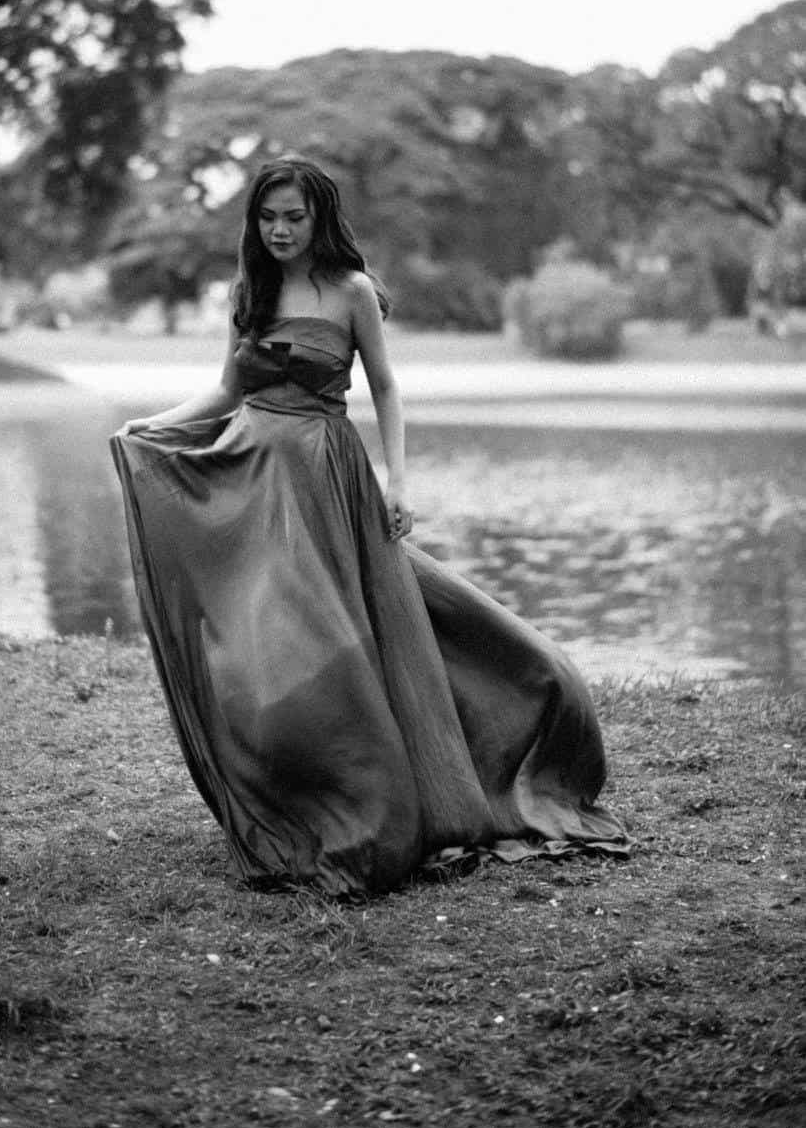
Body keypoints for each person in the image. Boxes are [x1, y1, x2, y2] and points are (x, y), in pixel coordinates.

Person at [111, 157, 628, 895]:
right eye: (268, 217)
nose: (280, 230)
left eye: (294, 216)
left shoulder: (352, 291)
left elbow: (385, 387)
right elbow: (226, 392)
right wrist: (149, 427)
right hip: (253, 478)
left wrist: (399, 480)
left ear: (319, 218)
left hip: (325, 479)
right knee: (262, 639)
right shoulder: (247, 291)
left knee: (353, 628)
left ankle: (448, 755)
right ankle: (297, 791)